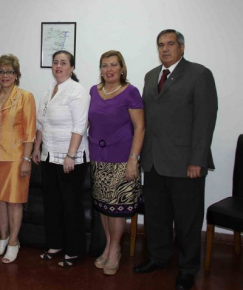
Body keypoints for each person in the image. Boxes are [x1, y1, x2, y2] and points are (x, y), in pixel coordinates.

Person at [133, 29, 218, 290]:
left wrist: (197, 160)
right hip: (154, 161)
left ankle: (188, 268)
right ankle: (159, 258)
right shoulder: (150, 76)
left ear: (181, 47)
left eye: (170, 44)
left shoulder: (199, 74)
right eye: (161, 45)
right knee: (156, 217)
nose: (165, 49)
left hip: (185, 164)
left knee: (187, 220)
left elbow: (205, 120)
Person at [88, 50, 145, 275]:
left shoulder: (131, 92)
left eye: (113, 65)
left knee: (117, 208)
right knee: (103, 206)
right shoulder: (94, 91)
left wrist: (134, 159)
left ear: (122, 68)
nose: (109, 69)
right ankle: (108, 245)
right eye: (104, 65)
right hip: (97, 157)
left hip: (122, 158)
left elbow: (140, 127)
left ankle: (114, 250)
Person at [32, 50, 90, 267]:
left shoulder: (77, 91)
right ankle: (55, 244)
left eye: (63, 63)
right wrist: (37, 147)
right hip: (48, 156)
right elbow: (41, 123)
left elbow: (79, 126)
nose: (58, 66)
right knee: (52, 204)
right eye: (55, 62)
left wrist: (70, 155)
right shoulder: (49, 90)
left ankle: (74, 251)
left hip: (70, 159)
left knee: (71, 206)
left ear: (72, 67)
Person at [0, 54, 36, 264]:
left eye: (10, 71)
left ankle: (13, 242)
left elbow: (30, 132)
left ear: (17, 75)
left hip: (15, 158)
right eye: (1, 71)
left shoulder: (25, 97)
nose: (5, 75)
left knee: (13, 202)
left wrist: (26, 159)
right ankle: (2, 238)